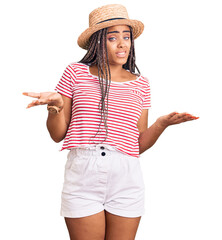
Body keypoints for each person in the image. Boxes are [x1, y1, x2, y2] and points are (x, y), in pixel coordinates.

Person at [23, 4, 199, 240]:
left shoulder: (141, 84)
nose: (122, 43)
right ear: (97, 42)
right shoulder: (75, 73)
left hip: (126, 176)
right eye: (112, 37)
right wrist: (55, 106)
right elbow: (57, 135)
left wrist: (160, 125)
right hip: (83, 172)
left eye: (126, 37)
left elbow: (136, 146)